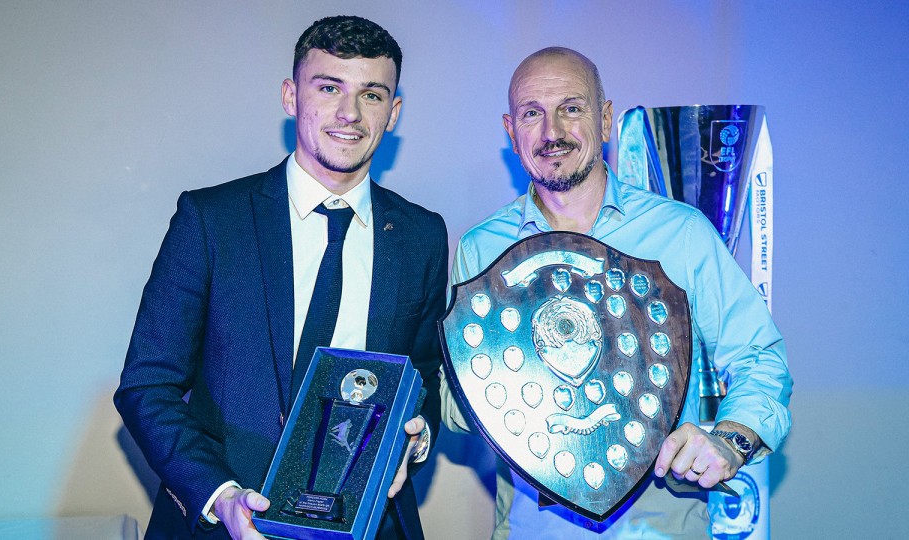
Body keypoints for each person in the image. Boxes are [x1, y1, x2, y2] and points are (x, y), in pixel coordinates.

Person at [115, 16, 448, 540]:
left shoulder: (421, 235)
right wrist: (221, 498)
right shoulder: (211, 219)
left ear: (394, 113)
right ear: (291, 96)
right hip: (224, 524)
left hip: (370, 525)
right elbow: (146, 385)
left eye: (372, 94)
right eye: (329, 87)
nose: (350, 113)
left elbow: (423, 375)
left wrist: (415, 438)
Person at [439, 47, 792, 538]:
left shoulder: (680, 233)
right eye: (531, 114)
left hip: (662, 527)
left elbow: (760, 359)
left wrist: (731, 442)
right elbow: (458, 404)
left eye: (572, 107)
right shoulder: (482, 249)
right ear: (511, 130)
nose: (551, 132)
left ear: (605, 120)